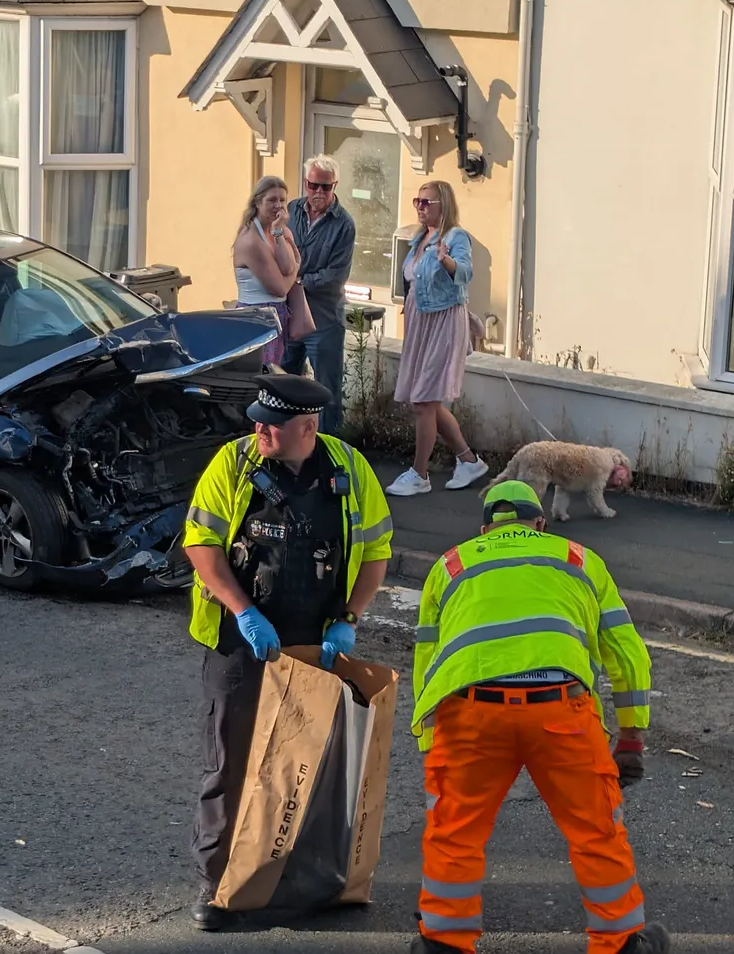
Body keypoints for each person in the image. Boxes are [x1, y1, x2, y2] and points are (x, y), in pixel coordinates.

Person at [409, 479, 668, 954]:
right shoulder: (579, 559)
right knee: (596, 831)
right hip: (560, 708)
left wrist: (429, 739)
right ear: (540, 523)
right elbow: (628, 656)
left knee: (454, 833)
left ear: (485, 527)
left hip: (470, 711)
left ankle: (443, 943)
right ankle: (619, 942)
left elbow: (427, 659)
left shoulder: (452, 565)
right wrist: (630, 736)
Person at [181, 373, 393, 931]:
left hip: (314, 643)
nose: (258, 429)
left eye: (270, 425)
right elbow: (201, 545)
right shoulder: (233, 464)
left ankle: (303, 879)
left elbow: (375, 552)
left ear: (306, 427)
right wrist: (242, 611)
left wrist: (349, 619)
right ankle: (217, 886)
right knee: (230, 763)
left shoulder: (347, 469)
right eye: (257, 419)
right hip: (241, 640)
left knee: (311, 765)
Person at [385, 180, 488, 497]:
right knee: (427, 400)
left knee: (423, 401)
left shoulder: (455, 237)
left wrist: (446, 260)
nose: (420, 206)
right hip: (421, 323)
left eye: (426, 202)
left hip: (444, 322)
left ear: (444, 205)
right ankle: (469, 460)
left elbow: (466, 273)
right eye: (417, 201)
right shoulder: (419, 238)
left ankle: (420, 473)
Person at [283, 155, 356, 434]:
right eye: (314, 186)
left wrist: (296, 280)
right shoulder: (291, 210)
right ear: (306, 183)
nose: (318, 193)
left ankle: (329, 452)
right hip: (290, 315)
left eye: (325, 187)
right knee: (282, 381)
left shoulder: (344, 224)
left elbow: (335, 275)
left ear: (335, 186)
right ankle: (287, 443)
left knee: (326, 391)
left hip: (323, 319)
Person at [232, 176, 316, 366]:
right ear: (257, 202)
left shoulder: (280, 231)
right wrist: (296, 266)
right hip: (256, 320)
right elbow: (280, 288)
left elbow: (287, 268)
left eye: (282, 200)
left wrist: (279, 233)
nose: (278, 206)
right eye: (271, 200)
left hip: (278, 317)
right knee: (263, 379)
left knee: (277, 378)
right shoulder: (251, 240)